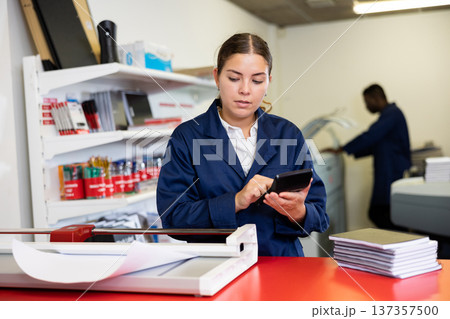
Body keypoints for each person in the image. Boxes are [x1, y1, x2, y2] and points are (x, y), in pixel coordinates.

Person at [156, 33, 329, 256]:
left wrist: (299, 212)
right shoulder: (187, 137)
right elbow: (173, 218)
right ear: (217, 77)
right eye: (234, 78)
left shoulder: (288, 134)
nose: (245, 90)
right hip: (215, 271)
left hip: (282, 269)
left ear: (268, 82)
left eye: (257, 80)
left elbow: (320, 216)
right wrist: (235, 201)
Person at [324, 84, 411, 230]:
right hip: (389, 171)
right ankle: (397, 243)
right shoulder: (390, 114)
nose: (366, 106)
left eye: (366, 102)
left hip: (392, 173)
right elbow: (376, 144)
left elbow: (371, 136)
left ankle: (399, 245)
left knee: (379, 213)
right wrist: (347, 151)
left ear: (375, 98)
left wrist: (342, 148)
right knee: (383, 214)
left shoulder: (392, 114)